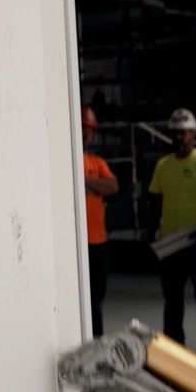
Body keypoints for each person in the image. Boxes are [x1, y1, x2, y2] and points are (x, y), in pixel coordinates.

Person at [147, 108, 196, 357]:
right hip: (171, 241)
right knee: (172, 297)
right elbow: (154, 201)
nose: (180, 137)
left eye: (185, 133)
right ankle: (174, 344)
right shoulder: (163, 166)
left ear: (193, 134)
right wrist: (152, 232)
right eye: (176, 133)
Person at [80, 106, 118, 337]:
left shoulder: (96, 162)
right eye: (83, 129)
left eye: (90, 130)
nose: (86, 134)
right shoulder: (65, 159)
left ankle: (97, 342)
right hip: (76, 243)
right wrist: (95, 185)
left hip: (97, 241)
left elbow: (113, 186)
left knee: (96, 299)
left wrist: (83, 181)